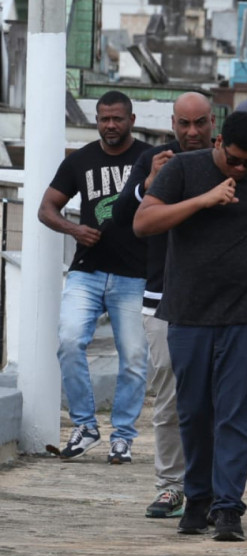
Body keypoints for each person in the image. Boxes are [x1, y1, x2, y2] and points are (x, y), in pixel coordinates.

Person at [133, 111, 247, 542]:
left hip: (246, 315)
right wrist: (202, 200)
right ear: (219, 141)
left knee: (234, 414)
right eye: (235, 160)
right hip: (188, 315)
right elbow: (143, 222)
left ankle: (229, 508)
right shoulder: (183, 170)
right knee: (192, 412)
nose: (242, 169)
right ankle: (198, 498)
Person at [111, 93, 213, 514]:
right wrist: (147, 185)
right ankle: (171, 484)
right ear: (172, 122)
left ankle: (213, 490)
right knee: (169, 395)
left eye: (200, 123)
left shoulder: (227, 162)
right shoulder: (154, 159)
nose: (191, 132)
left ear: (213, 123)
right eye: (184, 124)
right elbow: (119, 220)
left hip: (217, 301)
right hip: (161, 298)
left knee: (215, 398)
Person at [39, 90, 151, 462]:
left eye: (117, 118)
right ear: (96, 120)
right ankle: (85, 427)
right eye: (104, 118)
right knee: (69, 341)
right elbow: (46, 208)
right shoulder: (81, 160)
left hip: (136, 275)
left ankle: (123, 436)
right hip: (87, 272)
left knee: (134, 357)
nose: (110, 125)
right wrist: (74, 230)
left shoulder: (149, 158)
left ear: (131, 120)